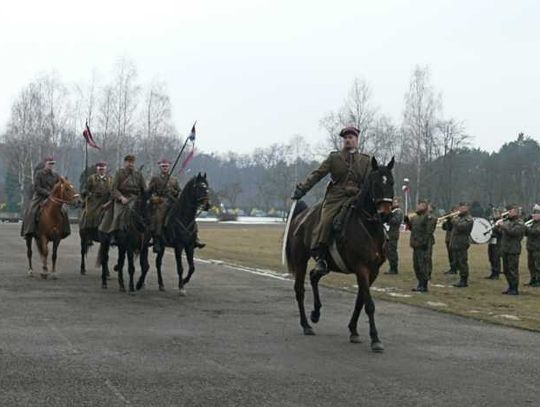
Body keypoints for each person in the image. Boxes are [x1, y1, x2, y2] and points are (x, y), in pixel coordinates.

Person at [291, 126, 371, 275]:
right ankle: (321, 256)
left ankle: (377, 252)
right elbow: (318, 174)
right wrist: (303, 188)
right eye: (345, 138)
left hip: (357, 197)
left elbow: (369, 182)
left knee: (372, 219)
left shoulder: (366, 161)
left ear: (357, 140)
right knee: (326, 220)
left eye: (351, 137)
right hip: (336, 197)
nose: (348, 140)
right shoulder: (334, 158)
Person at [21, 157, 70, 238]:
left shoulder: (55, 175)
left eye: (52, 164)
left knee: (64, 210)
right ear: (45, 164)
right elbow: (37, 187)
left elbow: (60, 184)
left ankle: (65, 231)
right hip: (40, 196)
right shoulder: (39, 174)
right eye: (49, 163)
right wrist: (48, 193)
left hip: (53, 198)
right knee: (32, 210)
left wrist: (65, 182)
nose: (51, 165)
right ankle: (29, 231)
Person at [99, 155, 146, 235]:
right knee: (118, 215)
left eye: (132, 162)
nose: (131, 164)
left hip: (135, 198)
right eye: (129, 162)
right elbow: (113, 189)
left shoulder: (138, 174)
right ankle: (114, 233)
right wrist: (121, 197)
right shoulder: (119, 173)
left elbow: (144, 188)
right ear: (125, 163)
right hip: (122, 199)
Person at [147, 159, 181, 253]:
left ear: (169, 167)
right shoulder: (155, 178)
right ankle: (156, 239)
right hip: (160, 202)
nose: (165, 168)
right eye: (163, 166)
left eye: (166, 166)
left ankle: (192, 236)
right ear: (160, 167)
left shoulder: (174, 179)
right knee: (159, 217)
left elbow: (179, 191)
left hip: (172, 202)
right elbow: (149, 192)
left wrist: (175, 193)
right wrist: (154, 198)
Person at [496, 204, 526, 295]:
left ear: (516, 212)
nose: (508, 213)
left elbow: (514, 232)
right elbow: (502, 233)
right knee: (506, 270)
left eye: (511, 211)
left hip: (513, 249)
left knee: (513, 270)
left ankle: (514, 288)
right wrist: (498, 227)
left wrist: (503, 226)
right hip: (505, 248)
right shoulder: (508, 222)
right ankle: (510, 286)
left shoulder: (520, 222)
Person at [405, 199, 434, 292]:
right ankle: (419, 283)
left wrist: (424, 242)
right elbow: (412, 228)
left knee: (423, 265)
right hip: (415, 244)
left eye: (421, 205)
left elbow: (428, 231)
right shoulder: (415, 217)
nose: (419, 207)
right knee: (416, 265)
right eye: (418, 205)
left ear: (426, 207)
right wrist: (407, 221)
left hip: (423, 245)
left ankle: (424, 285)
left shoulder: (429, 217)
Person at [80, 162, 112, 231]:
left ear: (105, 169)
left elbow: (113, 190)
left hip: (106, 202)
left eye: (103, 169)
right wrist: (89, 194)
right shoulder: (91, 178)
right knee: (89, 215)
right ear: (97, 169)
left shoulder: (110, 179)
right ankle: (88, 231)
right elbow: (85, 189)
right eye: (100, 169)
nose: (101, 170)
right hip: (94, 202)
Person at [449, 202, 474, 288]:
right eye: (460, 208)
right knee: (457, 262)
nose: (460, 210)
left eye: (463, 208)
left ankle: (464, 280)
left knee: (462, 262)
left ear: (467, 208)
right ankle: (461, 278)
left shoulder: (468, 219)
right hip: (455, 242)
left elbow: (461, 227)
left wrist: (454, 220)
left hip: (462, 242)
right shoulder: (459, 217)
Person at [384, 198, 403, 274]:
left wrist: (388, 216)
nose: (394, 203)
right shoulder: (391, 211)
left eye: (396, 202)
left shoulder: (398, 212)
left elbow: (395, 221)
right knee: (388, 251)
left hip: (393, 233)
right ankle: (391, 267)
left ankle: (394, 268)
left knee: (392, 251)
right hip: (388, 233)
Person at [525, 204, 540, 287]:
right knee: (531, 265)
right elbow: (527, 233)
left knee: (538, 266)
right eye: (533, 214)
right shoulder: (532, 223)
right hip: (530, 247)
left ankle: (538, 281)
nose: (533, 215)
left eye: (536, 214)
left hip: (537, 248)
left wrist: (526, 228)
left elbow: (535, 232)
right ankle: (533, 279)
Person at [485, 208, 502, 279]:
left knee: (496, 258)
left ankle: (496, 274)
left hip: (497, 242)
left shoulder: (501, 221)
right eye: (494, 213)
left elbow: (501, 232)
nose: (495, 214)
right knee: (491, 258)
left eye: (497, 213)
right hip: (491, 241)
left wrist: (496, 228)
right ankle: (493, 273)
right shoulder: (492, 221)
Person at [441, 207, 457, 275]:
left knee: (454, 255)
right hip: (448, 238)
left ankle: (454, 269)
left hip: (454, 239)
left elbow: (455, 226)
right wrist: (447, 221)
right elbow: (444, 228)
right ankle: (452, 267)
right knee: (450, 255)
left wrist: (451, 219)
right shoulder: (449, 219)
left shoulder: (457, 219)